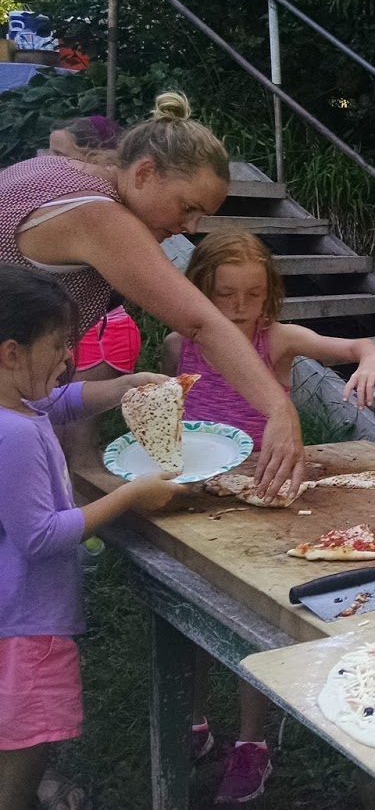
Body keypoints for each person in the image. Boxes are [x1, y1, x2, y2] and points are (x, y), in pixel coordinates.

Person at [161, 230, 375, 804]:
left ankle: (252, 742)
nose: (238, 308)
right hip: (199, 502)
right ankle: (192, 722)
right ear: (198, 294)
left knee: (248, 622)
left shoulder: (278, 340)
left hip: (267, 501)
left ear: (270, 296)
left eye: (252, 295)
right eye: (224, 294)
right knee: (188, 610)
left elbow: (358, 345)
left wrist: (370, 362)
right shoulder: (176, 346)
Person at [0, 91, 306, 499]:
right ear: (144, 173)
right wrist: (279, 410)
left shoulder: (60, 169)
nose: (192, 227)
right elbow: (199, 322)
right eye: (187, 207)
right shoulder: (98, 217)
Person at [0, 266, 185, 810]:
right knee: (24, 749)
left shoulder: (18, 406)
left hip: (12, 616)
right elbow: (41, 537)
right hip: (27, 622)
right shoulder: (13, 434)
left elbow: (64, 401)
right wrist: (131, 495)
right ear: (12, 352)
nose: (68, 359)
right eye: (59, 346)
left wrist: (126, 386)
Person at [41, 116, 147, 471]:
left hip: (104, 330)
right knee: (51, 436)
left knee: (78, 446)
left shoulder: (103, 209)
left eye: (59, 154)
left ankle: (88, 523)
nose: (47, 161)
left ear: (97, 158)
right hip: (76, 330)